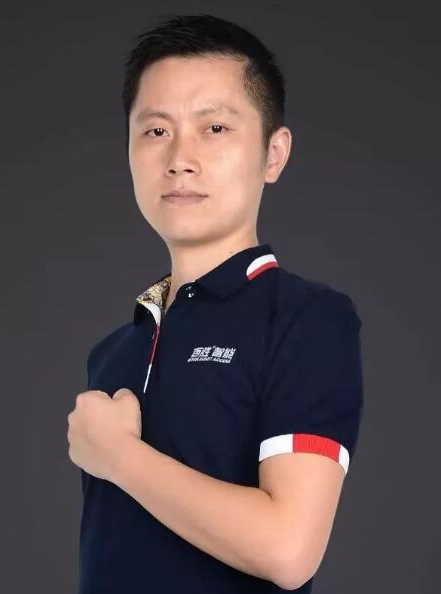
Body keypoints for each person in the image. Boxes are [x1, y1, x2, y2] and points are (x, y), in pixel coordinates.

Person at [67, 13, 364, 594]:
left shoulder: (306, 320)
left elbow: (288, 550)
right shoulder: (114, 352)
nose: (180, 157)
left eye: (215, 128)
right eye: (156, 130)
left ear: (273, 154)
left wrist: (119, 455)